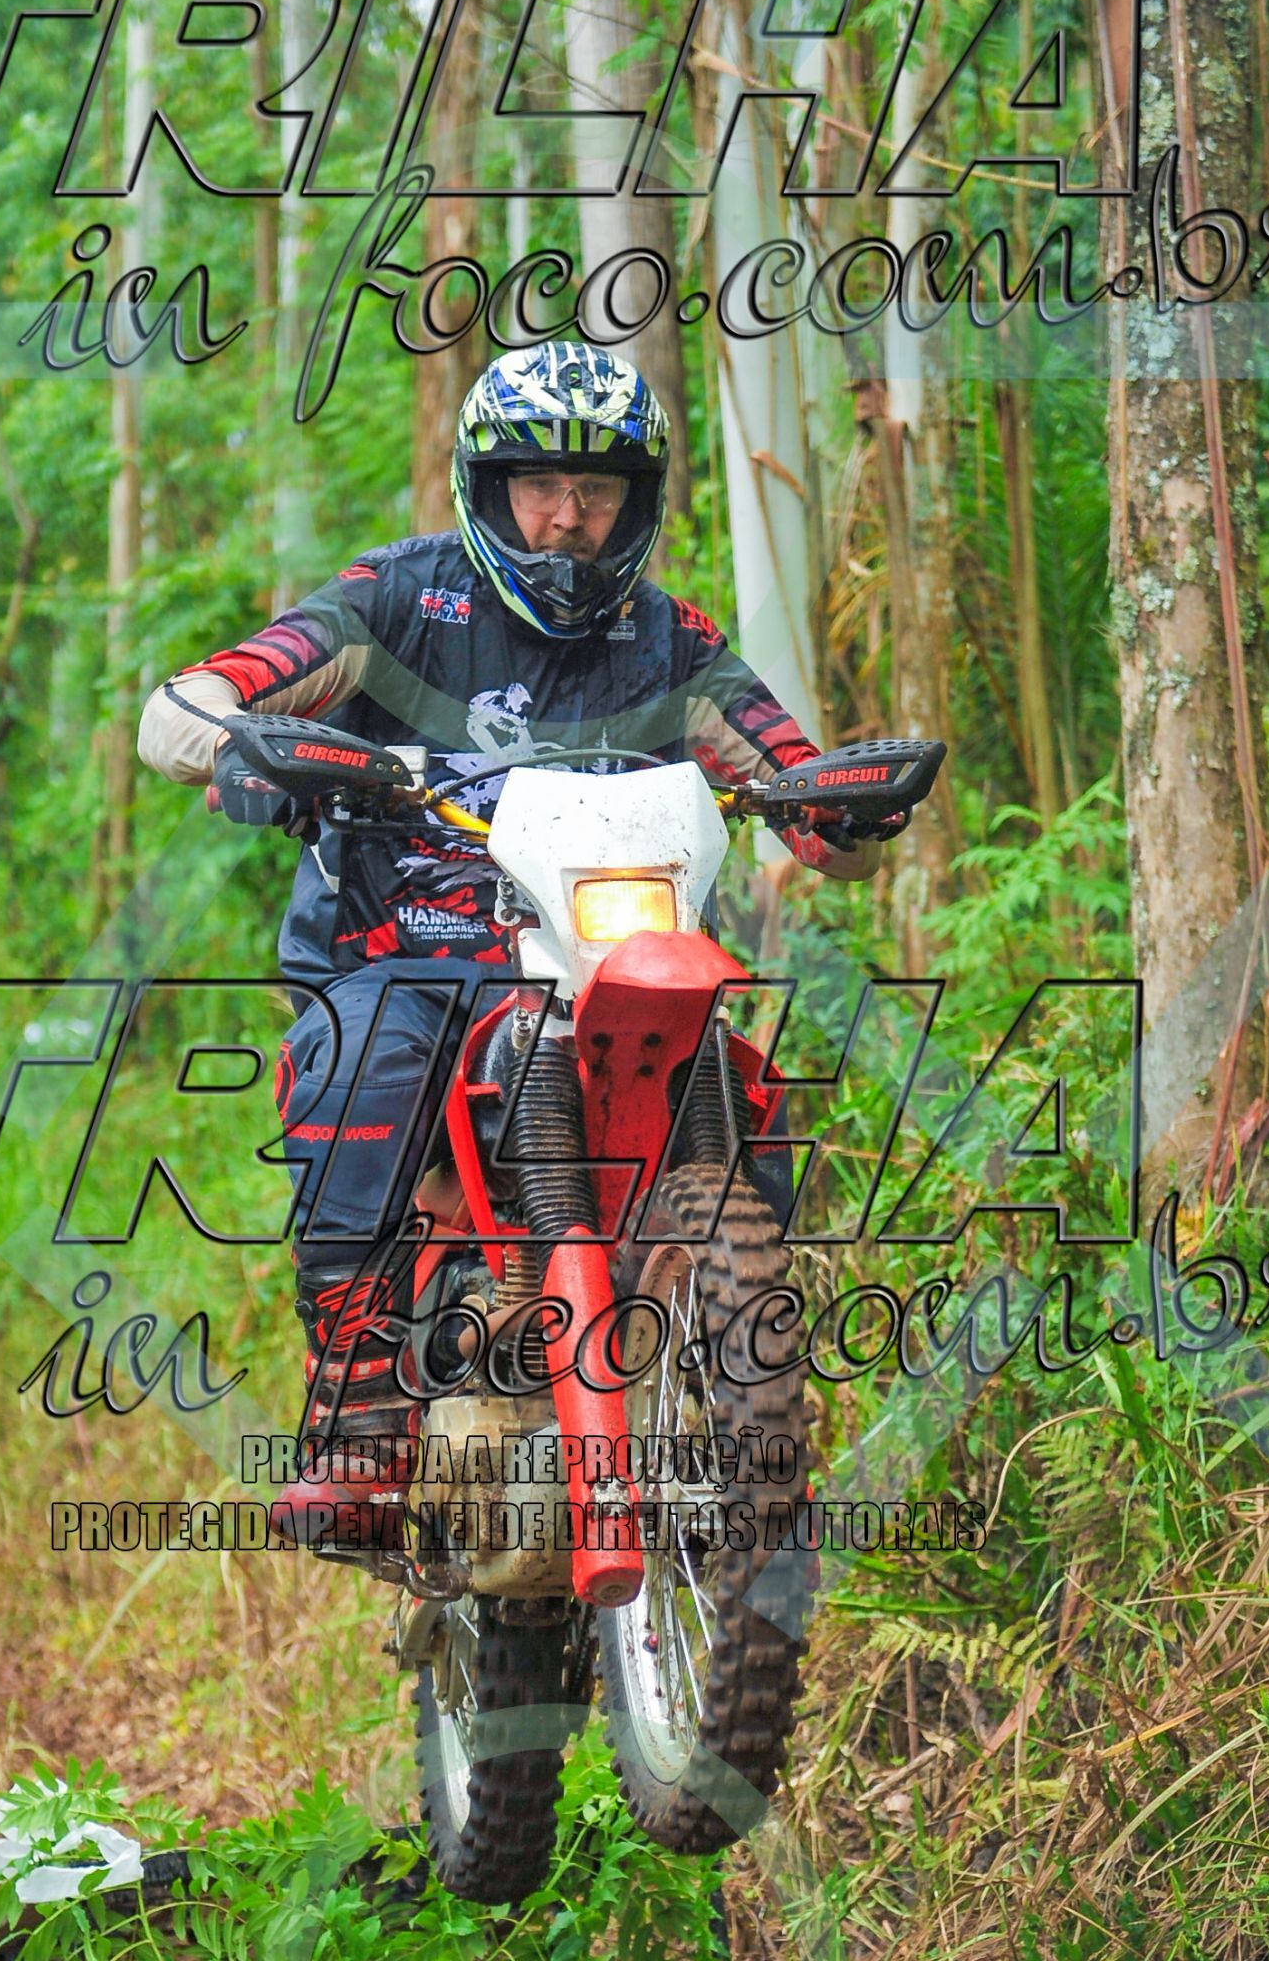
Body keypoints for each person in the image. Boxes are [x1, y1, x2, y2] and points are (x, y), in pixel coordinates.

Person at [137, 338, 906, 1544]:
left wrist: (835, 810)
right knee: (364, 1070)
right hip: (413, 954)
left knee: (746, 1095)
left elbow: (791, 774)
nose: (566, 517)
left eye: (596, 489)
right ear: (489, 490)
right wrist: (236, 739)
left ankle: (746, 1418)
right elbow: (198, 696)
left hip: (614, 957)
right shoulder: (396, 601)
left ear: (636, 502)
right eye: (539, 485)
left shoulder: (672, 642)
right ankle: (360, 1421)